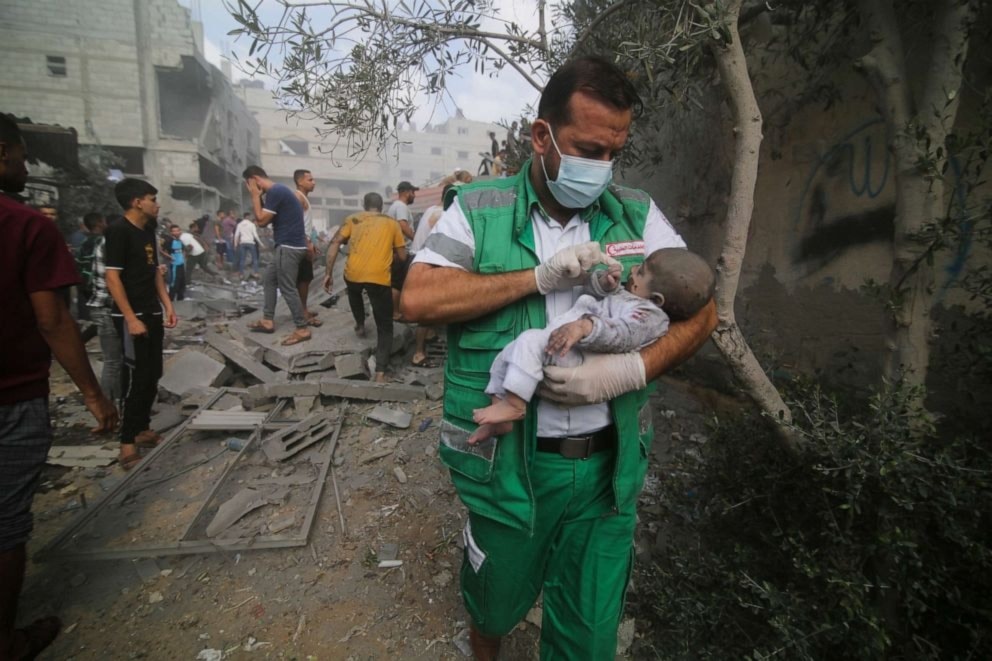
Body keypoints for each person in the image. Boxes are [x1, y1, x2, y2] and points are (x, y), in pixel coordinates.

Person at [400, 56, 717, 659]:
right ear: (542, 136)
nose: (601, 167)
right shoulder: (480, 209)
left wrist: (632, 369)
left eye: (613, 152)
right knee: (493, 603)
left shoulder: (635, 213)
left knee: (588, 636)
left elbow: (702, 311)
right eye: (588, 149)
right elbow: (417, 299)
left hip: (606, 472)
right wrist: (539, 278)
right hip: (510, 469)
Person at [0, 113, 118, 660]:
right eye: (23, 155)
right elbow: (52, 320)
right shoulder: (23, 224)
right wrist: (92, 394)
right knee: (6, 522)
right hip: (12, 394)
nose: (27, 166)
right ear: (3, 152)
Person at [471, 247, 715, 442]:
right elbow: (600, 298)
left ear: (657, 299)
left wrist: (586, 327)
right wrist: (605, 285)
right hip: (568, 340)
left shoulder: (648, 316)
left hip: (581, 355)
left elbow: (622, 334)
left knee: (528, 342)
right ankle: (500, 414)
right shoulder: (633, 297)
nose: (632, 270)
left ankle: (515, 405)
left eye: (640, 272)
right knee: (508, 355)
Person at [105, 178, 178, 470]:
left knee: (153, 373)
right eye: (152, 199)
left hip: (151, 311)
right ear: (137, 202)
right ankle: (126, 444)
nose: (156, 204)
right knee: (137, 378)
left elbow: (155, 272)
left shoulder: (147, 231)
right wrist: (131, 318)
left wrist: (167, 304)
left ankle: (142, 428)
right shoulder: (118, 230)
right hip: (131, 316)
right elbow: (113, 278)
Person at [323, 192, 406, 382]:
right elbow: (402, 257)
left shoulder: (353, 219)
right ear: (381, 207)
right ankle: (380, 373)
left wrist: (328, 273)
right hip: (378, 277)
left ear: (364, 205)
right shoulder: (392, 223)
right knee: (385, 326)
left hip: (353, 273)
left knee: (354, 292)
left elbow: (335, 243)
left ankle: (360, 324)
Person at [242, 165, 311, 346]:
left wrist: (255, 195)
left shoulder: (276, 191)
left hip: (288, 247)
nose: (249, 189)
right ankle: (267, 320)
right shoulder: (278, 191)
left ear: (254, 180)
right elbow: (265, 220)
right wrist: (258, 197)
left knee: (287, 287)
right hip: (290, 246)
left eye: (249, 185)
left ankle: (302, 328)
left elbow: (260, 221)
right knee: (269, 279)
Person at [86, 214, 124, 402]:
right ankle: (108, 404)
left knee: (118, 360)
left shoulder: (108, 242)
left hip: (107, 307)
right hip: (106, 307)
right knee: (113, 362)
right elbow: (112, 282)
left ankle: (118, 402)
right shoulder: (109, 244)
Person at [386, 180, 417, 319]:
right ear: (406, 192)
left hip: (397, 250)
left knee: (397, 282)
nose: (414, 195)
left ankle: (397, 310)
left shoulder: (396, 206)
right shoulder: (400, 206)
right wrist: (416, 238)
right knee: (397, 283)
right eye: (413, 192)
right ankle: (395, 313)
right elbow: (403, 225)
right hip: (401, 251)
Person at [293, 169, 320, 326]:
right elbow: (296, 223)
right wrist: (307, 243)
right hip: (300, 244)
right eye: (310, 180)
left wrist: (311, 242)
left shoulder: (303, 198)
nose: (313, 182)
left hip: (304, 242)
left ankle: (303, 309)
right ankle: (302, 312)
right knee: (303, 278)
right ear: (300, 181)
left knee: (305, 278)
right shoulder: (298, 197)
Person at [234, 212, 261, 279]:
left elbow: (236, 235)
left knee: (242, 259)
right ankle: (256, 273)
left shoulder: (239, 224)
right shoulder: (252, 224)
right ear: (248, 217)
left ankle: (241, 274)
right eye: (250, 216)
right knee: (254, 258)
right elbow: (255, 235)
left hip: (242, 243)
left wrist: (235, 244)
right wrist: (261, 243)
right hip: (251, 242)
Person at [166, 224, 187, 301]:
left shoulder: (180, 241)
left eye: (178, 230)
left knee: (182, 284)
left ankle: (180, 301)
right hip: (175, 265)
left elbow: (183, 250)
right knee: (174, 284)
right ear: (171, 232)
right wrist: (170, 257)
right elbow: (161, 250)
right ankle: (170, 301)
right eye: (174, 231)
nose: (176, 232)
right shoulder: (169, 241)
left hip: (181, 265)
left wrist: (184, 258)